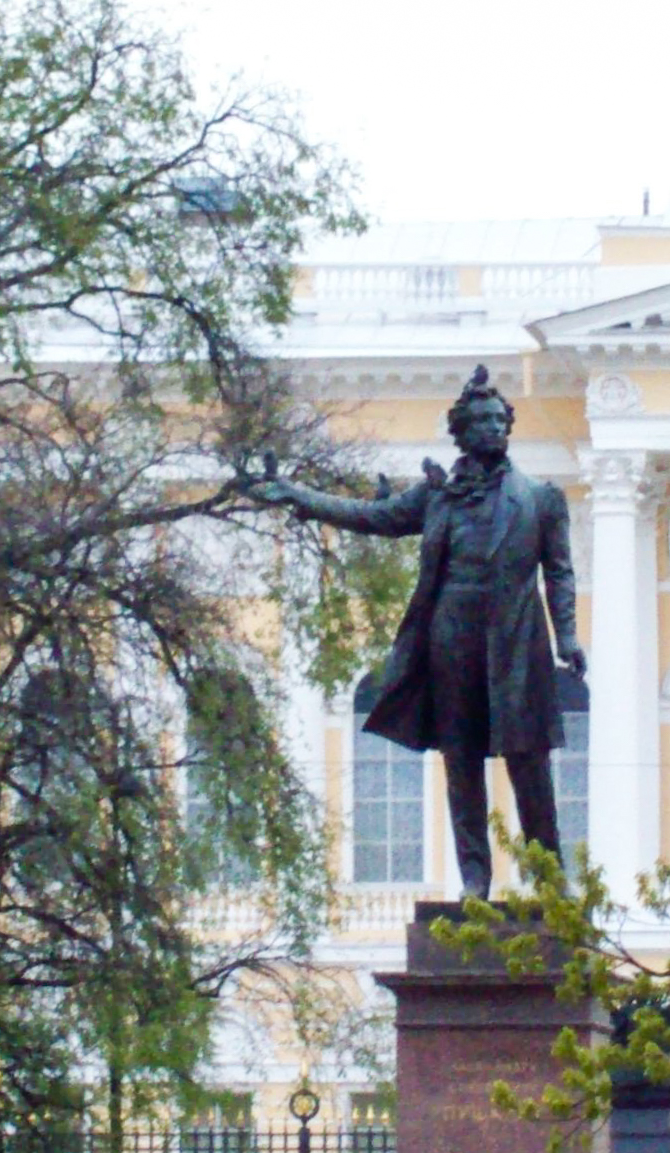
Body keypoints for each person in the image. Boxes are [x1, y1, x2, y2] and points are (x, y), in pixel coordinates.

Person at [250, 365, 585, 898]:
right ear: (462, 432)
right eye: (483, 421)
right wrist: (297, 495)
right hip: (451, 642)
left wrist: (566, 636)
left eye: (501, 420)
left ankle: (550, 879)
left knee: (529, 762)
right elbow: (369, 517)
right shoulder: (437, 498)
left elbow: (560, 572)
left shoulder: (541, 499)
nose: (495, 428)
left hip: (516, 645)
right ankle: (475, 882)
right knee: (461, 766)